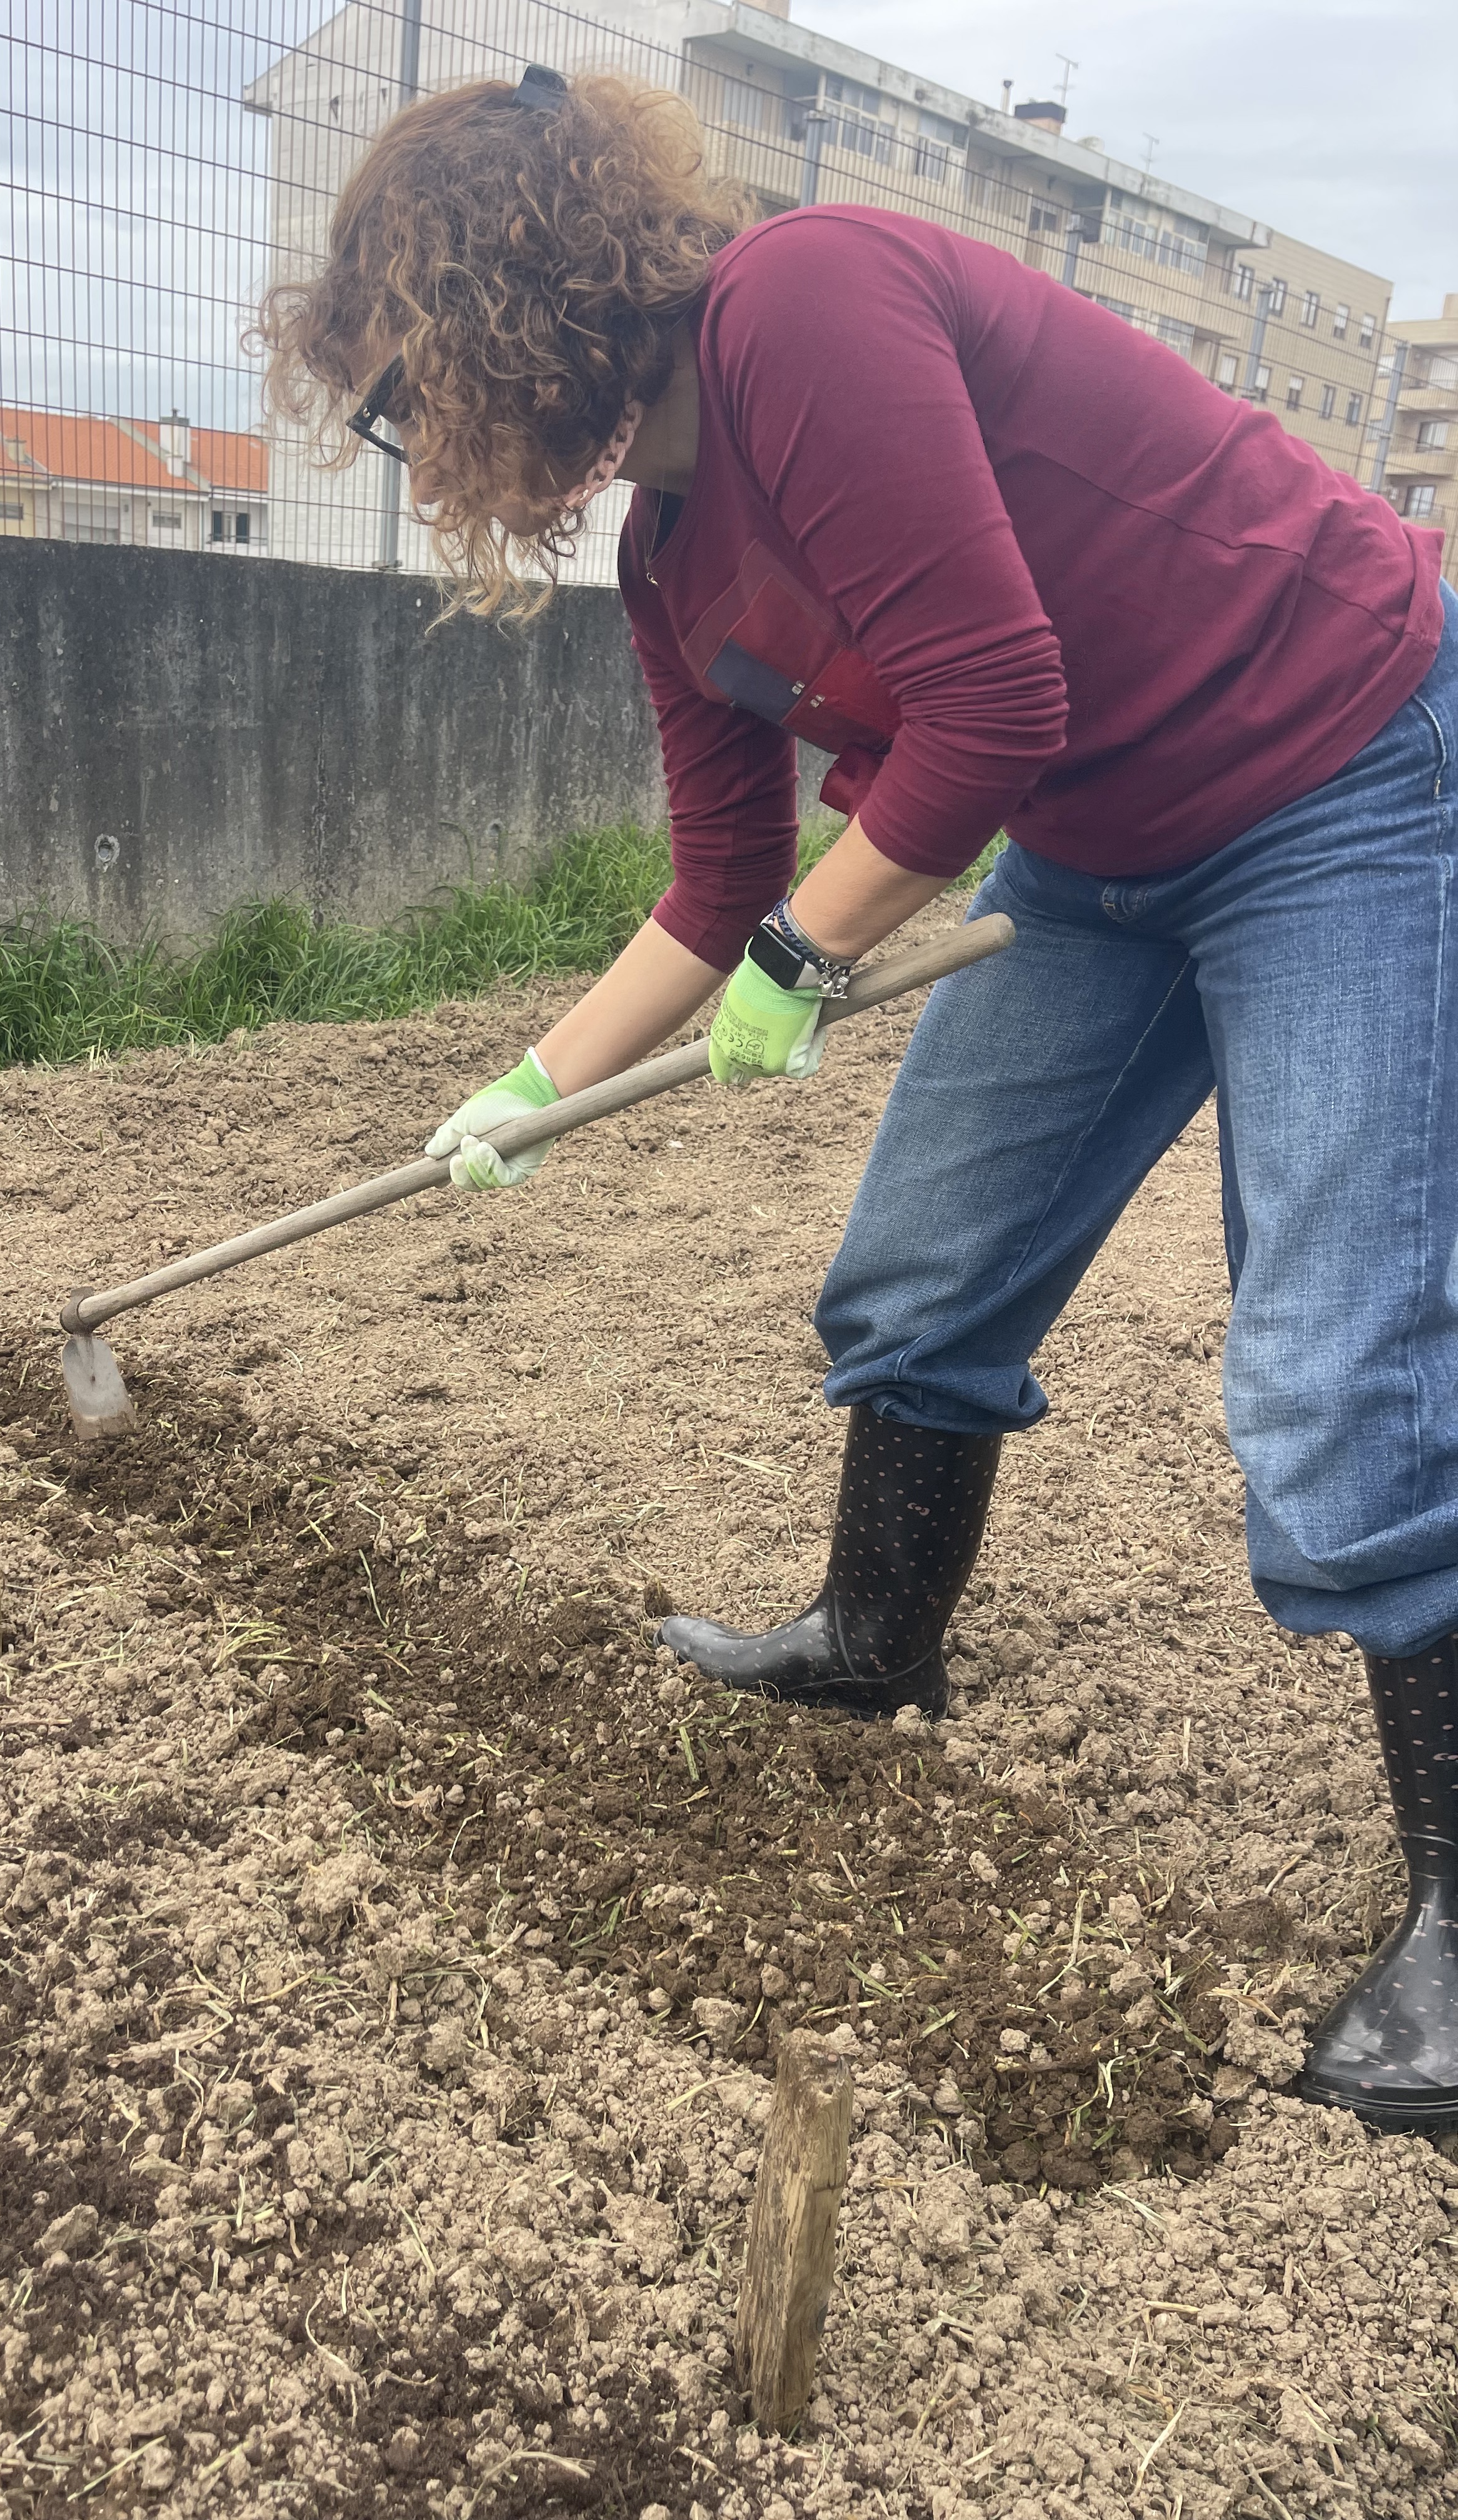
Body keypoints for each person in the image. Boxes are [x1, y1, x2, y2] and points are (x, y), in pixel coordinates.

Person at [259, 68, 1458, 2134]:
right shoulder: (664, 558)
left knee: (1336, 1372)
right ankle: (874, 1640)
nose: (411, 446)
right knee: (915, 1279)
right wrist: (522, 1091)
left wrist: (816, 962)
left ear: (498, 322)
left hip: (1333, 762)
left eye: (401, 395)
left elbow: (992, 698)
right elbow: (719, 892)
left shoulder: (800, 310)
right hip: (1095, 843)